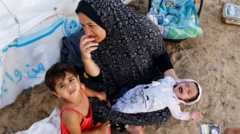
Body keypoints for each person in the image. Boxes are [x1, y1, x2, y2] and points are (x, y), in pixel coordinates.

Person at [61, 0, 178, 133]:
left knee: (165, 111)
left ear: (107, 18)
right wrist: (86, 58)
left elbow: (161, 55)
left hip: (147, 84)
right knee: (91, 103)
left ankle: (125, 122)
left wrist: (173, 79)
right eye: (83, 26)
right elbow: (98, 78)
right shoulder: (92, 42)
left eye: (91, 25)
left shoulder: (142, 29)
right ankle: (130, 123)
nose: (87, 32)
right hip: (116, 90)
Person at [45, 63, 111, 134]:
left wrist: (98, 94)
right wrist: (98, 131)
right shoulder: (70, 115)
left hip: (88, 124)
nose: (70, 87)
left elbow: (85, 91)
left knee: (105, 114)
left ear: (78, 79)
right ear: (56, 94)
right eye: (62, 86)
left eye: (70, 80)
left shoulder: (79, 89)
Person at [112, 76, 203, 121]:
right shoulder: (170, 80)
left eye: (188, 92)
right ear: (182, 81)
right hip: (140, 90)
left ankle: (112, 108)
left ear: (185, 100)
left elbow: (179, 114)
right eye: (186, 84)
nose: (185, 88)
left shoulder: (173, 102)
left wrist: (190, 115)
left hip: (142, 104)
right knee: (126, 92)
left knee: (124, 107)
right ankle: (114, 98)